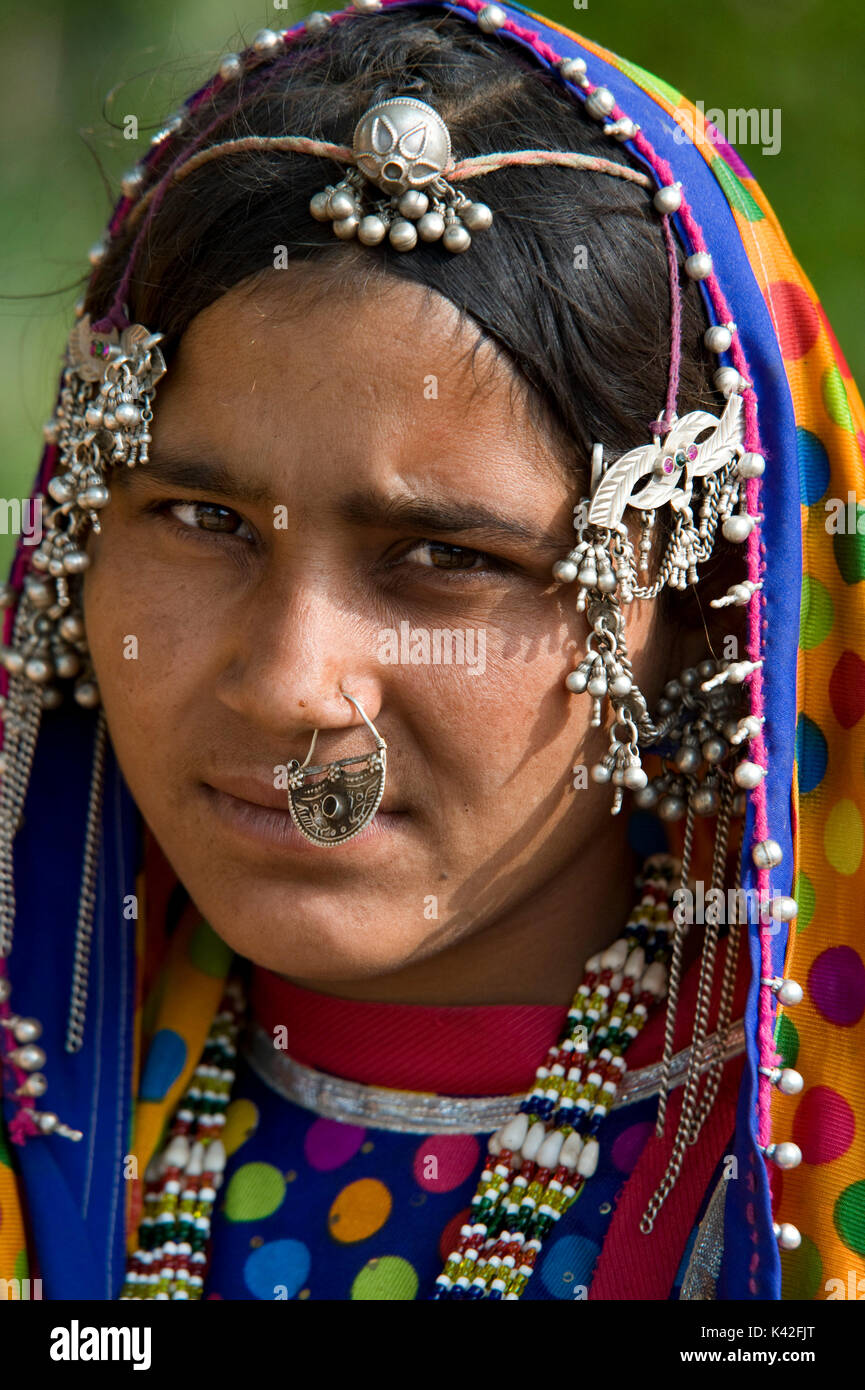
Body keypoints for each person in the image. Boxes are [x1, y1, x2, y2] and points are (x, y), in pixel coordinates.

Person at [0, 0, 862, 1303]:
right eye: (201, 519)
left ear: (693, 601)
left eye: (447, 557)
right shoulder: (43, 1139)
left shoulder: (788, 1203)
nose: (291, 683)